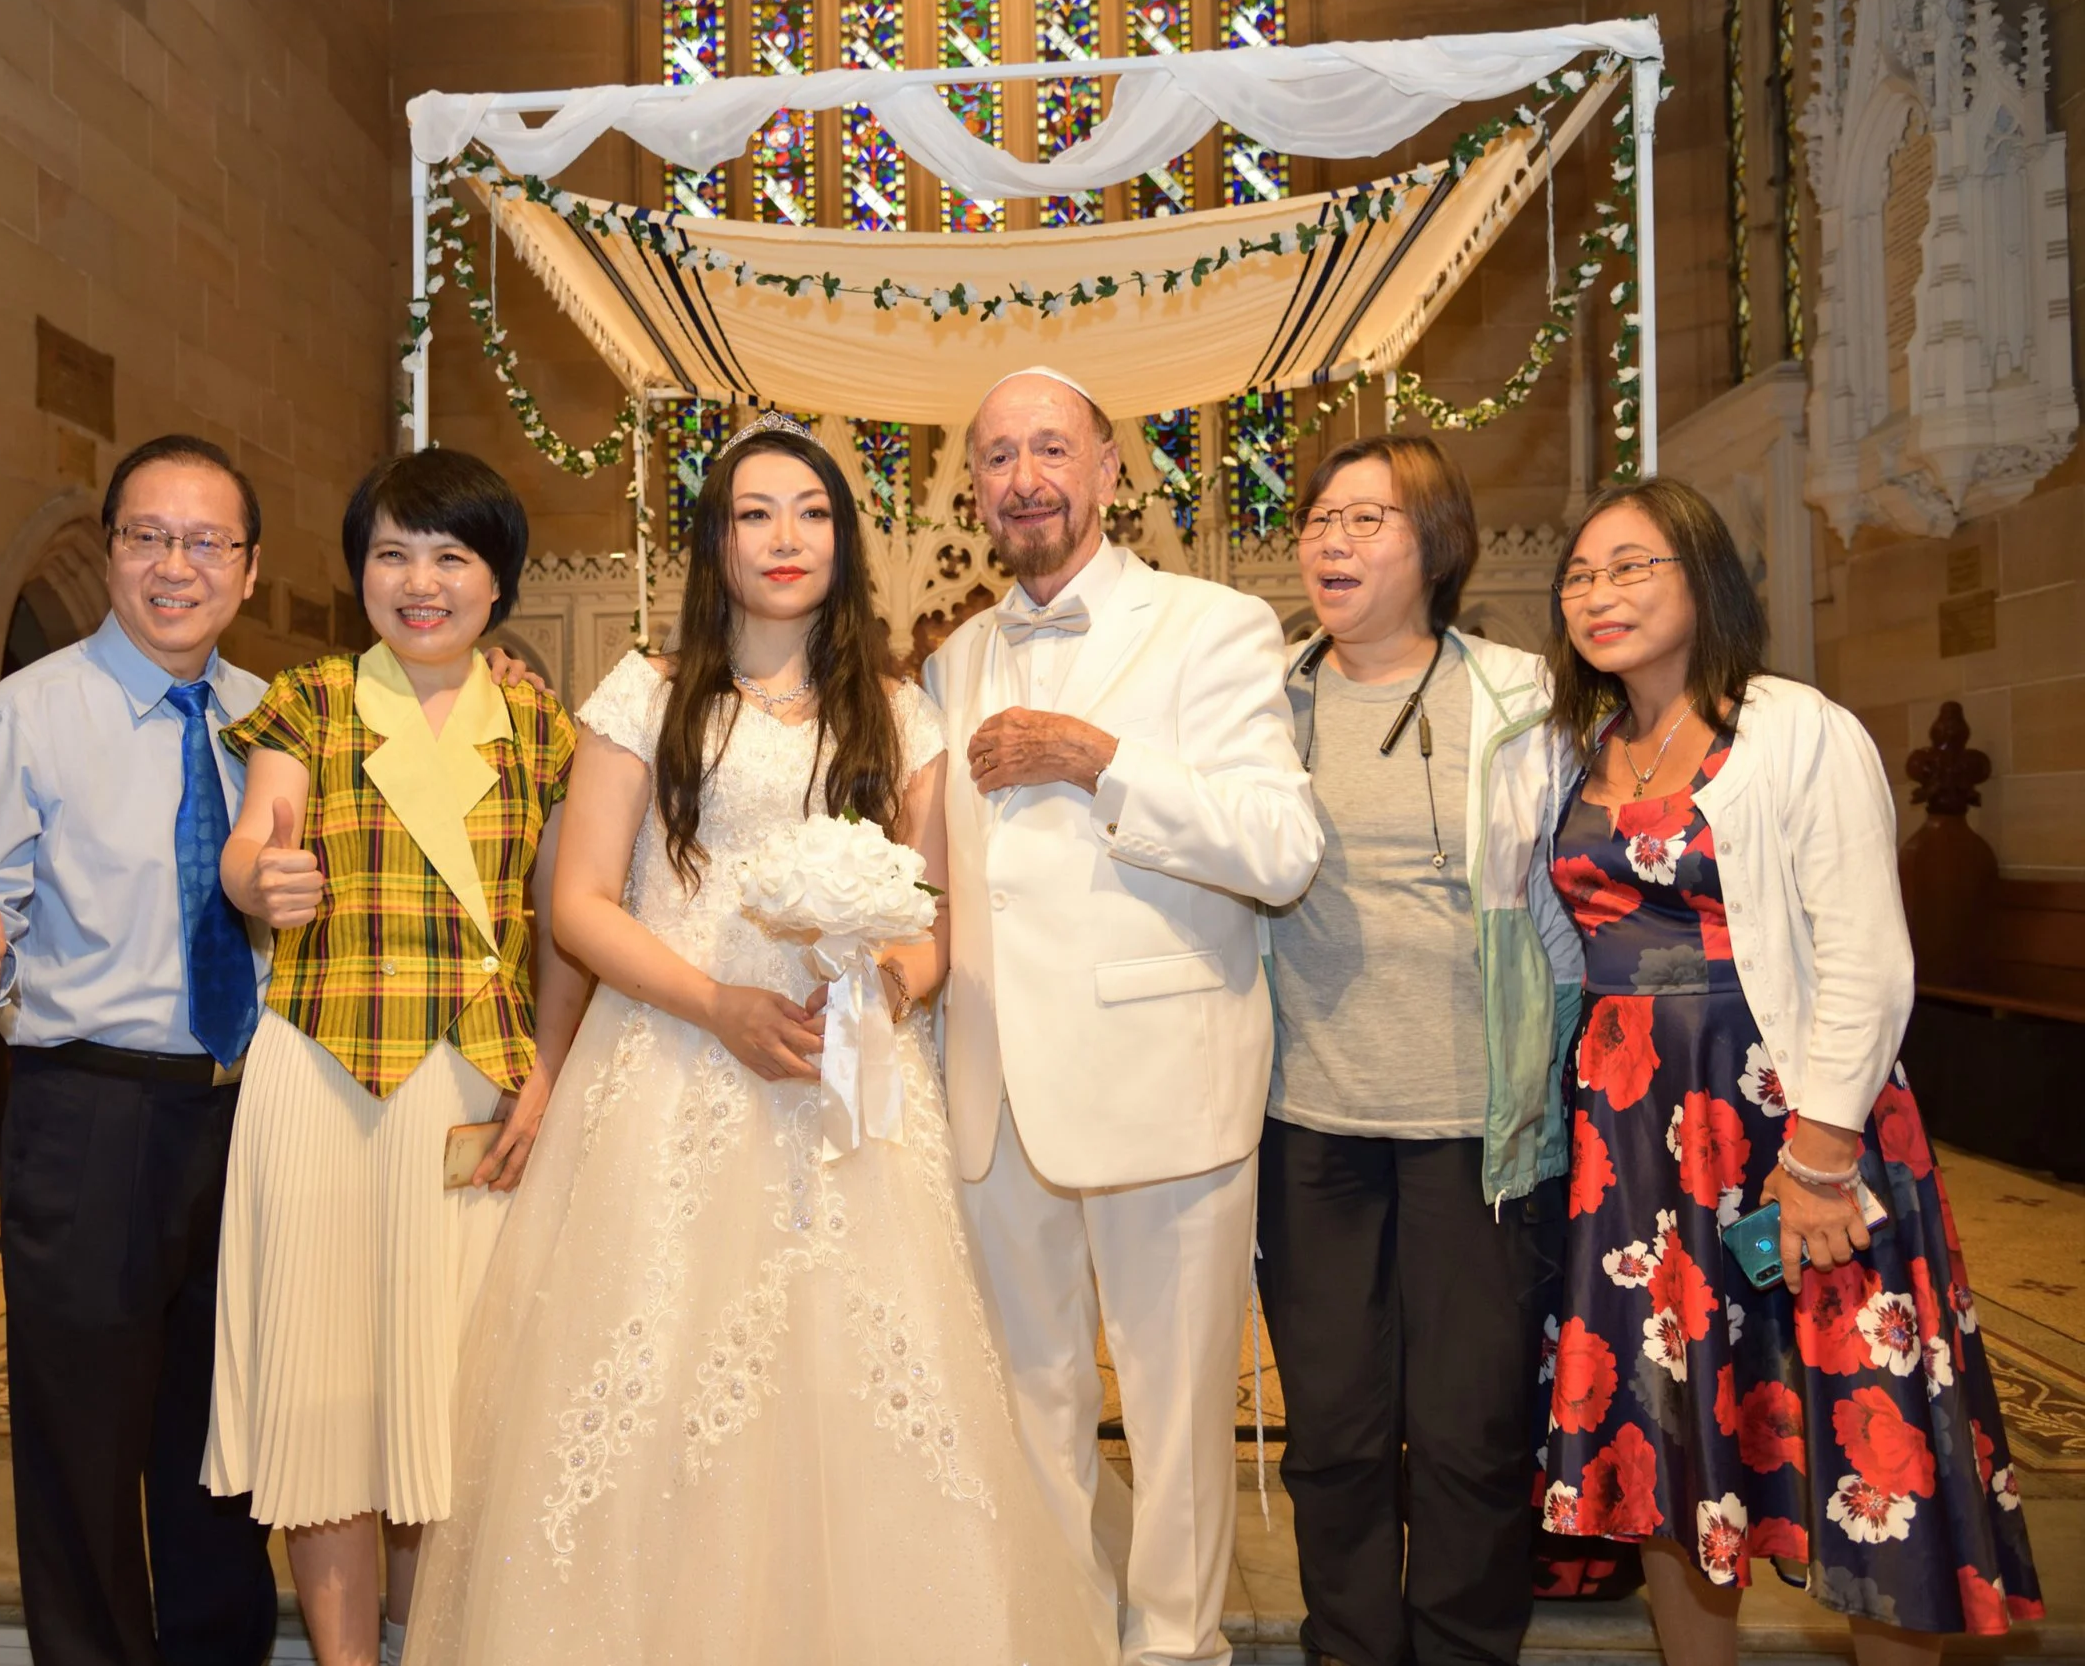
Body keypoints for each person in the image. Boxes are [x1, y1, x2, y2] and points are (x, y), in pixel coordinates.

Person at [406, 414, 1110, 1664]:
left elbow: (937, 914)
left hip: (844, 1092)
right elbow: (579, 903)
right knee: (654, 1375)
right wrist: (713, 1002)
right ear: (715, 541)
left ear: (843, 540)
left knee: (848, 1377)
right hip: (670, 1071)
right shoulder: (646, 695)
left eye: (813, 513)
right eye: (754, 513)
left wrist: (884, 988)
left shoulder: (897, 712)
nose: (786, 537)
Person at [1539, 478, 2043, 1659]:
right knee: (1665, 1441)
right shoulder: (1580, 746)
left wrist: (1818, 1156)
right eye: (1580, 576)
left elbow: (1865, 951)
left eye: (1632, 565)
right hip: (1633, 1145)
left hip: (1788, 1123)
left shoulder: (1790, 727)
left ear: (1704, 576)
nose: (1600, 593)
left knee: (1862, 1434)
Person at [922, 367, 1323, 1666]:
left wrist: (1099, 759)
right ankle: (1057, 1636)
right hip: (994, 1087)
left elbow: (1279, 849)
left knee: (1175, 1414)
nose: (1025, 477)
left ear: (1107, 468)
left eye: (1052, 449)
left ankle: (1175, 1647)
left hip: (1160, 1080)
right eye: (998, 456)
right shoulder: (952, 659)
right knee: (1028, 1406)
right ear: (973, 488)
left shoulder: (1215, 626)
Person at [0, 434, 280, 1666]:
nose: (175, 565)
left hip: (247, 1115)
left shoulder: (272, 720)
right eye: (147, 536)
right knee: (82, 1438)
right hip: (92, 1112)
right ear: (112, 552)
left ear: (249, 569)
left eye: (206, 541)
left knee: (222, 1431)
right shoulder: (33, 711)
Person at [202, 450, 589, 1666]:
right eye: (392, 553)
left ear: (497, 581)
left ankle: (432, 1644)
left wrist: (548, 1075)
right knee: (326, 1400)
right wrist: (261, 877)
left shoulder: (540, 727)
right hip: (321, 1078)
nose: (420, 582)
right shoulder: (311, 699)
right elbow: (253, 840)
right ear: (358, 570)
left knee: (449, 1404)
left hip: (475, 1086)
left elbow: (564, 926)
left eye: (450, 556)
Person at [1255, 436, 1580, 1666]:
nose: (1329, 541)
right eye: (1318, 519)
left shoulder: (1524, 697)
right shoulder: (1264, 701)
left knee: (1467, 1432)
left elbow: (1567, 904)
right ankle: (1347, 1647)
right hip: (1308, 1122)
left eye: (1365, 519)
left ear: (1435, 544)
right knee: (1333, 1429)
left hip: (1477, 1128)